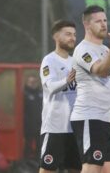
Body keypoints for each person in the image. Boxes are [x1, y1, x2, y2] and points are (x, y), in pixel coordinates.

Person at [70, 5, 110, 173]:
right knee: (92, 167)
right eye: (98, 21)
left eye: (105, 20)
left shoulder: (105, 49)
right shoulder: (83, 49)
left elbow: (109, 85)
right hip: (89, 117)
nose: (103, 24)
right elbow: (101, 71)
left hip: (103, 118)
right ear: (87, 25)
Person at [39, 20, 81, 173]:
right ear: (56, 36)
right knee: (48, 169)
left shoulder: (76, 62)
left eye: (74, 35)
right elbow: (49, 87)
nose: (72, 38)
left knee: (76, 169)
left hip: (75, 127)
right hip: (55, 127)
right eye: (68, 34)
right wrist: (66, 80)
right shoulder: (49, 60)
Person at [23, 75, 42, 160]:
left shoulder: (41, 93)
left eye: (34, 82)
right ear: (27, 83)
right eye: (31, 82)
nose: (33, 84)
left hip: (40, 124)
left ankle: (38, 160)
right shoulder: (24, 94)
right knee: (28, 143)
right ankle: (26, 161)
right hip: (28, 124)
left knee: (40, 143)